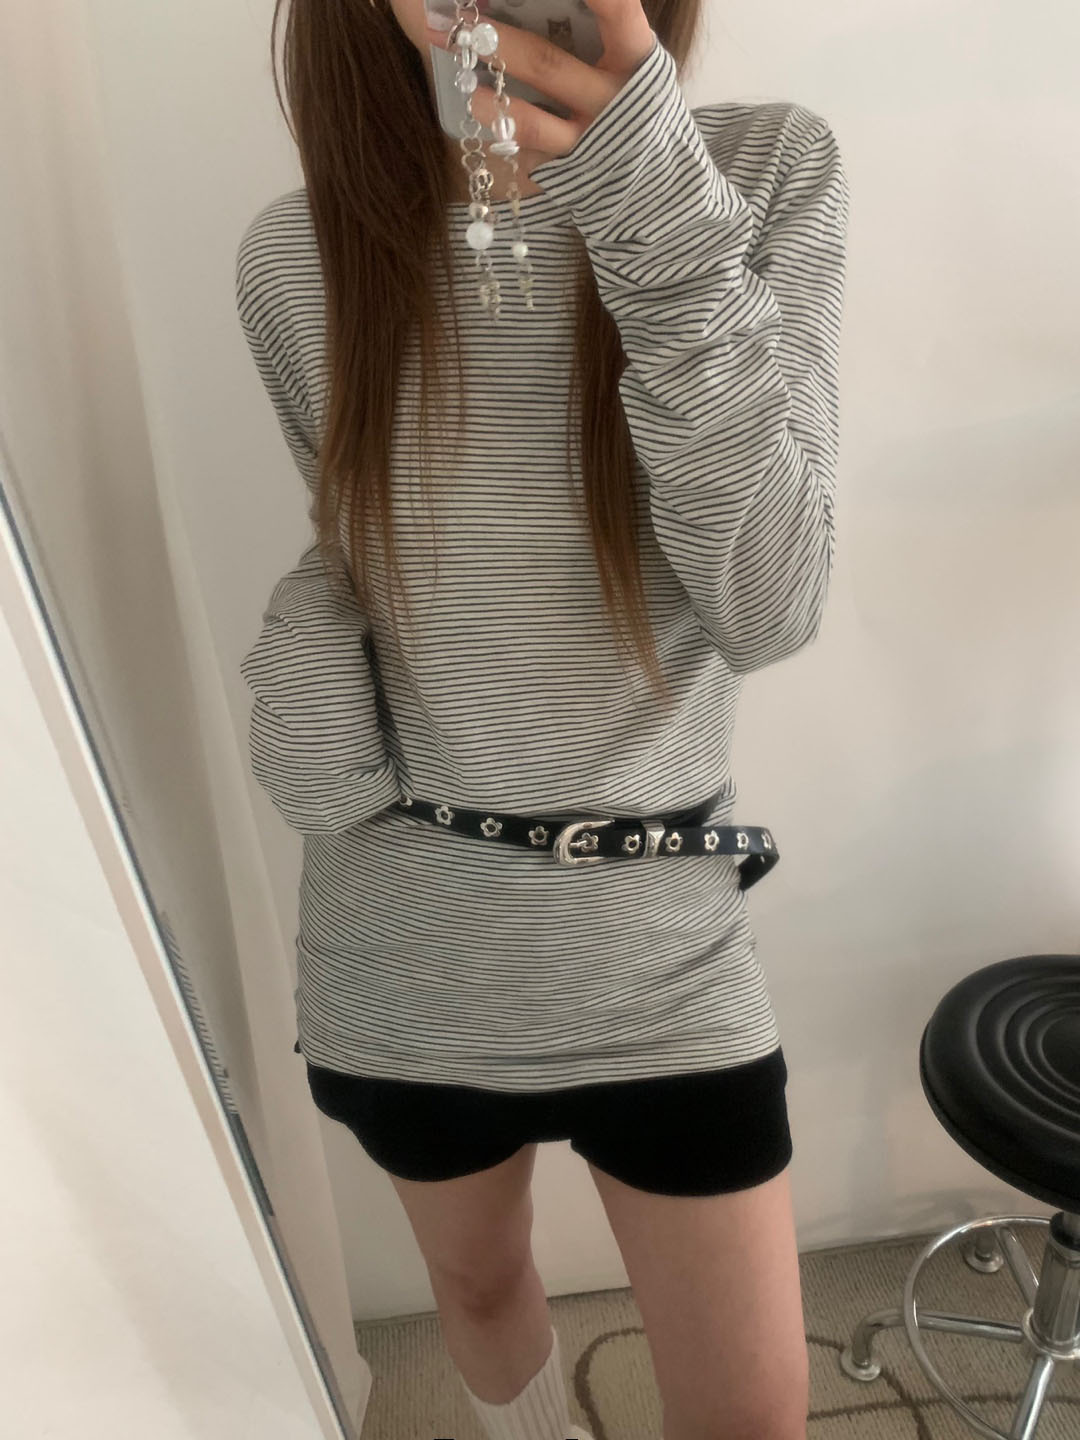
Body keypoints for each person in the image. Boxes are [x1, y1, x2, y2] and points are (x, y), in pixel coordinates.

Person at [235, 1, 849, 1436]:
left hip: (660, 930)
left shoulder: (760, 172)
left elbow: (771, 601)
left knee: (754, 1417)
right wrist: (306, 686)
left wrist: (643, 194)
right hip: (406, 940)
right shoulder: (296, 251)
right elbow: (364, 560)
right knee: (479, 1285)